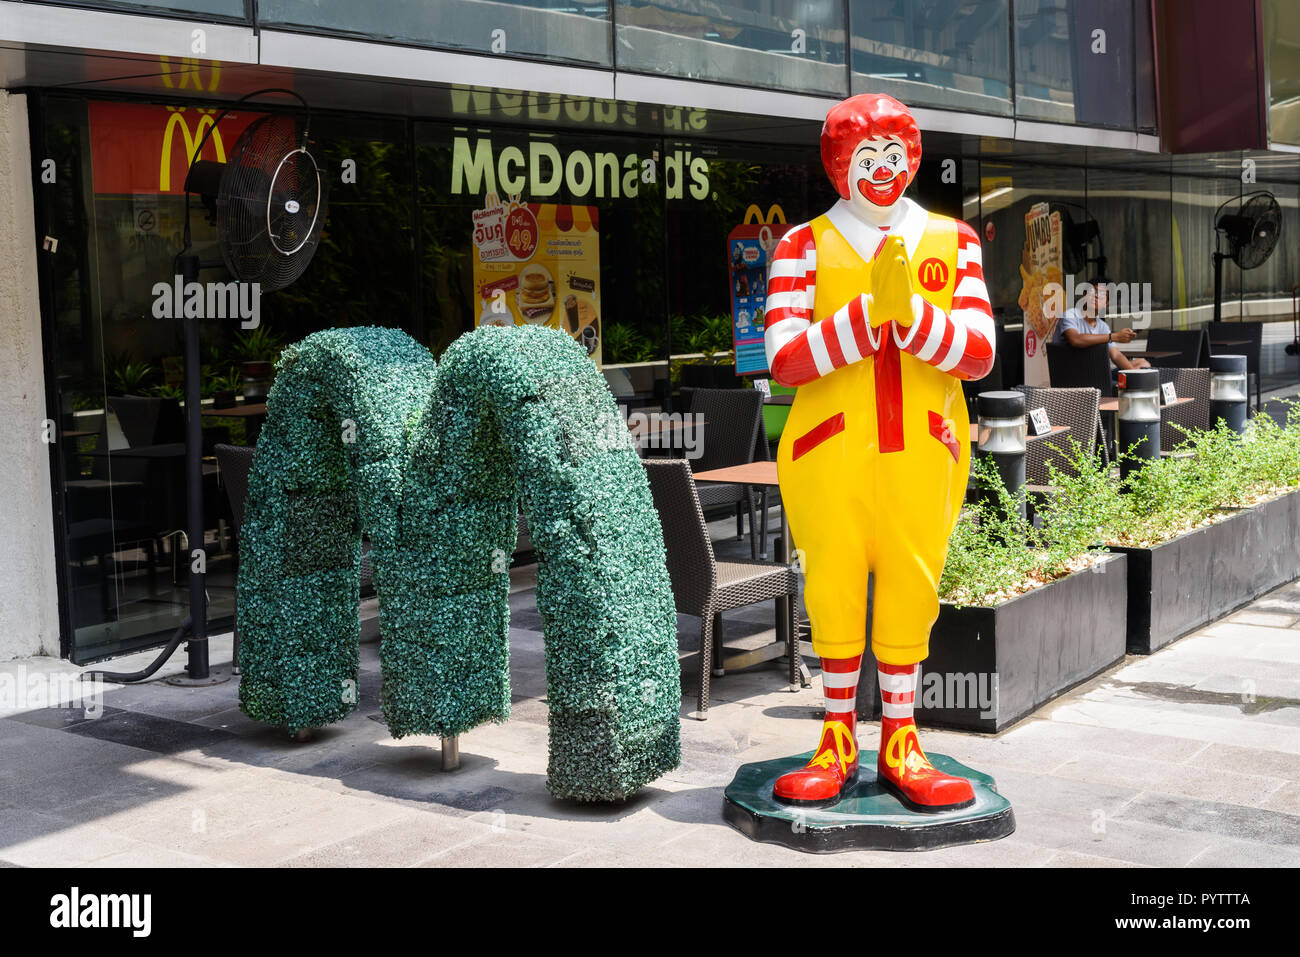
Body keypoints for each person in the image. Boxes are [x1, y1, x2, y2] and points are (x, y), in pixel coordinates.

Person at [763, 93, 995, 811]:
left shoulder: (954, 242)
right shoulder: (800, 246)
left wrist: (914, 317)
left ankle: (901, 737)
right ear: (839, 165)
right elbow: (783, 359)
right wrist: (867, 318)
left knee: (910, 587)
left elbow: (980, 351)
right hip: (828, 456)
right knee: (830, 586)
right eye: (867, 157)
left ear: (913, 157)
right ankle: (836, 737)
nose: (883, 170)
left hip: (923, 453)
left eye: (894, 155)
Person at [1054, 279, 1150, 371]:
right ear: (1084, 294)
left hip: (1096, 374)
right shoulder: (1071, 314)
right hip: (1072, 375)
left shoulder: (1102, 326)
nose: (1096, 296)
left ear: (1107, 303)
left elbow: (1116, 355)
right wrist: (1113, 336)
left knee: (1143, 363)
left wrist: (1132, 372)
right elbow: (1076, 340)